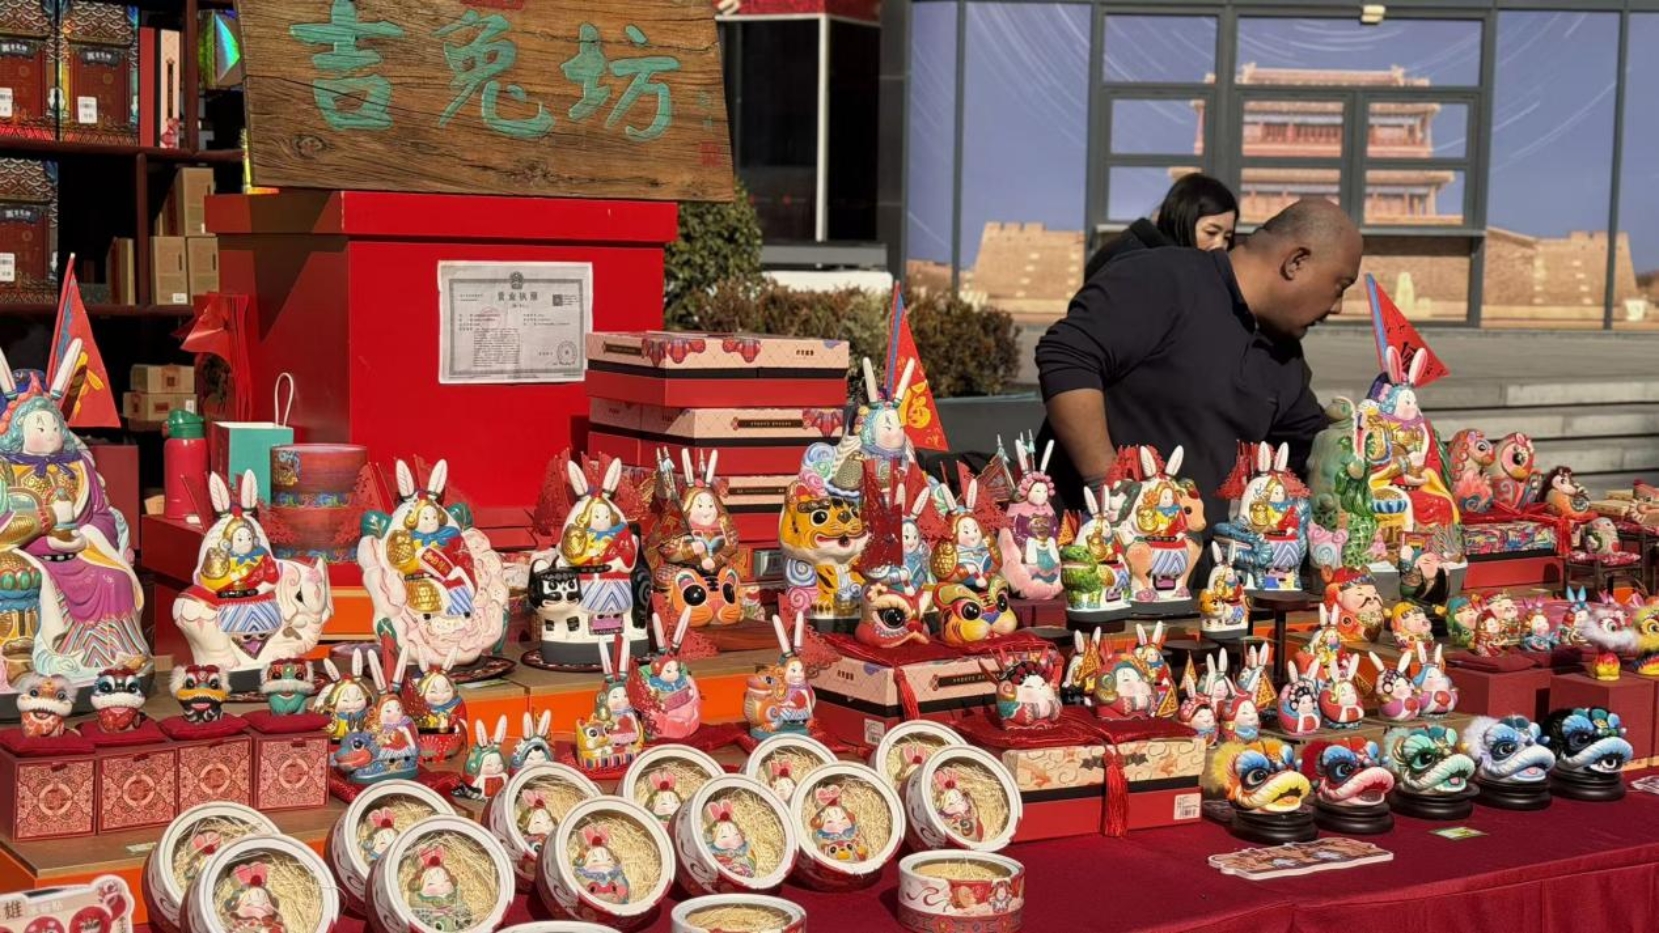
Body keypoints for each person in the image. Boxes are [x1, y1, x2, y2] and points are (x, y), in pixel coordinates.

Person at [1035, 198, 1362, 534]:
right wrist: (1107, 483)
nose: (1337, 307)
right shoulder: (1163, 278)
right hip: (1084, 548)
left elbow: (1316, 447)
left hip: (1193, 559)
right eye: (1340, 286)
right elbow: (1068, 355)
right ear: (1296, 261)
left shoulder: (1284, 357)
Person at [1085, 174, 1239, 279]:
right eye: (1211, 232)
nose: (1220, 246)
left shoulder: (1192, 272)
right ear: (1183, 221)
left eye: (1227, 237)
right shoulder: (1133, 263)